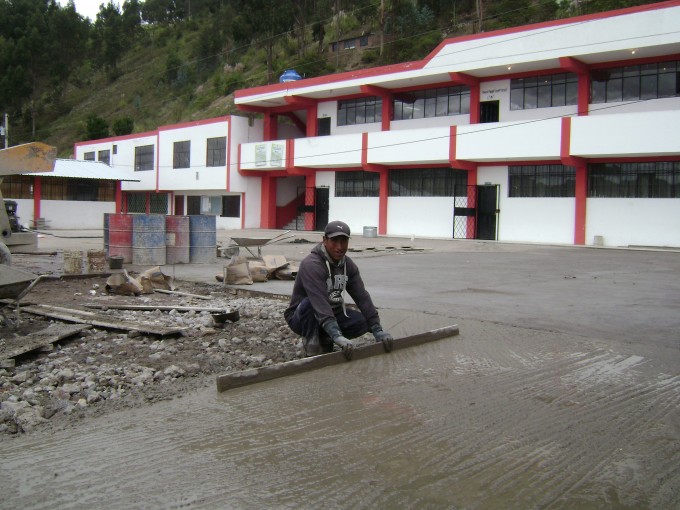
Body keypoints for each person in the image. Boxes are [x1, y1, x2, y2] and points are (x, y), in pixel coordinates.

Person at [284, 220, 394, 360]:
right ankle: (312, 341)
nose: (339, 247)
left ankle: (325, 337)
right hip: (303, 316)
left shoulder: (348, 265)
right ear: (324, 240)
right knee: (310, 303)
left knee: (364, 322)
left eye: (344, 241)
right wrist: (337, 334)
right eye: (335, 241)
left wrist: (377, 329)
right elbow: (320, 302)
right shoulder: (312, 264)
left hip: (332, 312)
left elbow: (362, 296)